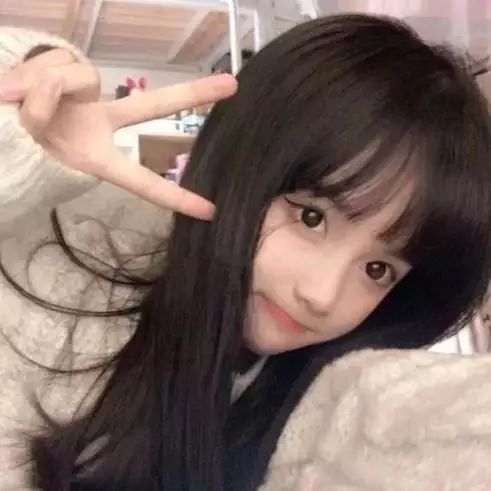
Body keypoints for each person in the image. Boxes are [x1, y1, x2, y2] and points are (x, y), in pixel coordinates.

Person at [1, 13, 491, 491]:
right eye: (312, 217)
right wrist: (13, 149)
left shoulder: (327, 403)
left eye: (378, 269)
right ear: (242, 165)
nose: (321, 295)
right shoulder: (75, 280)